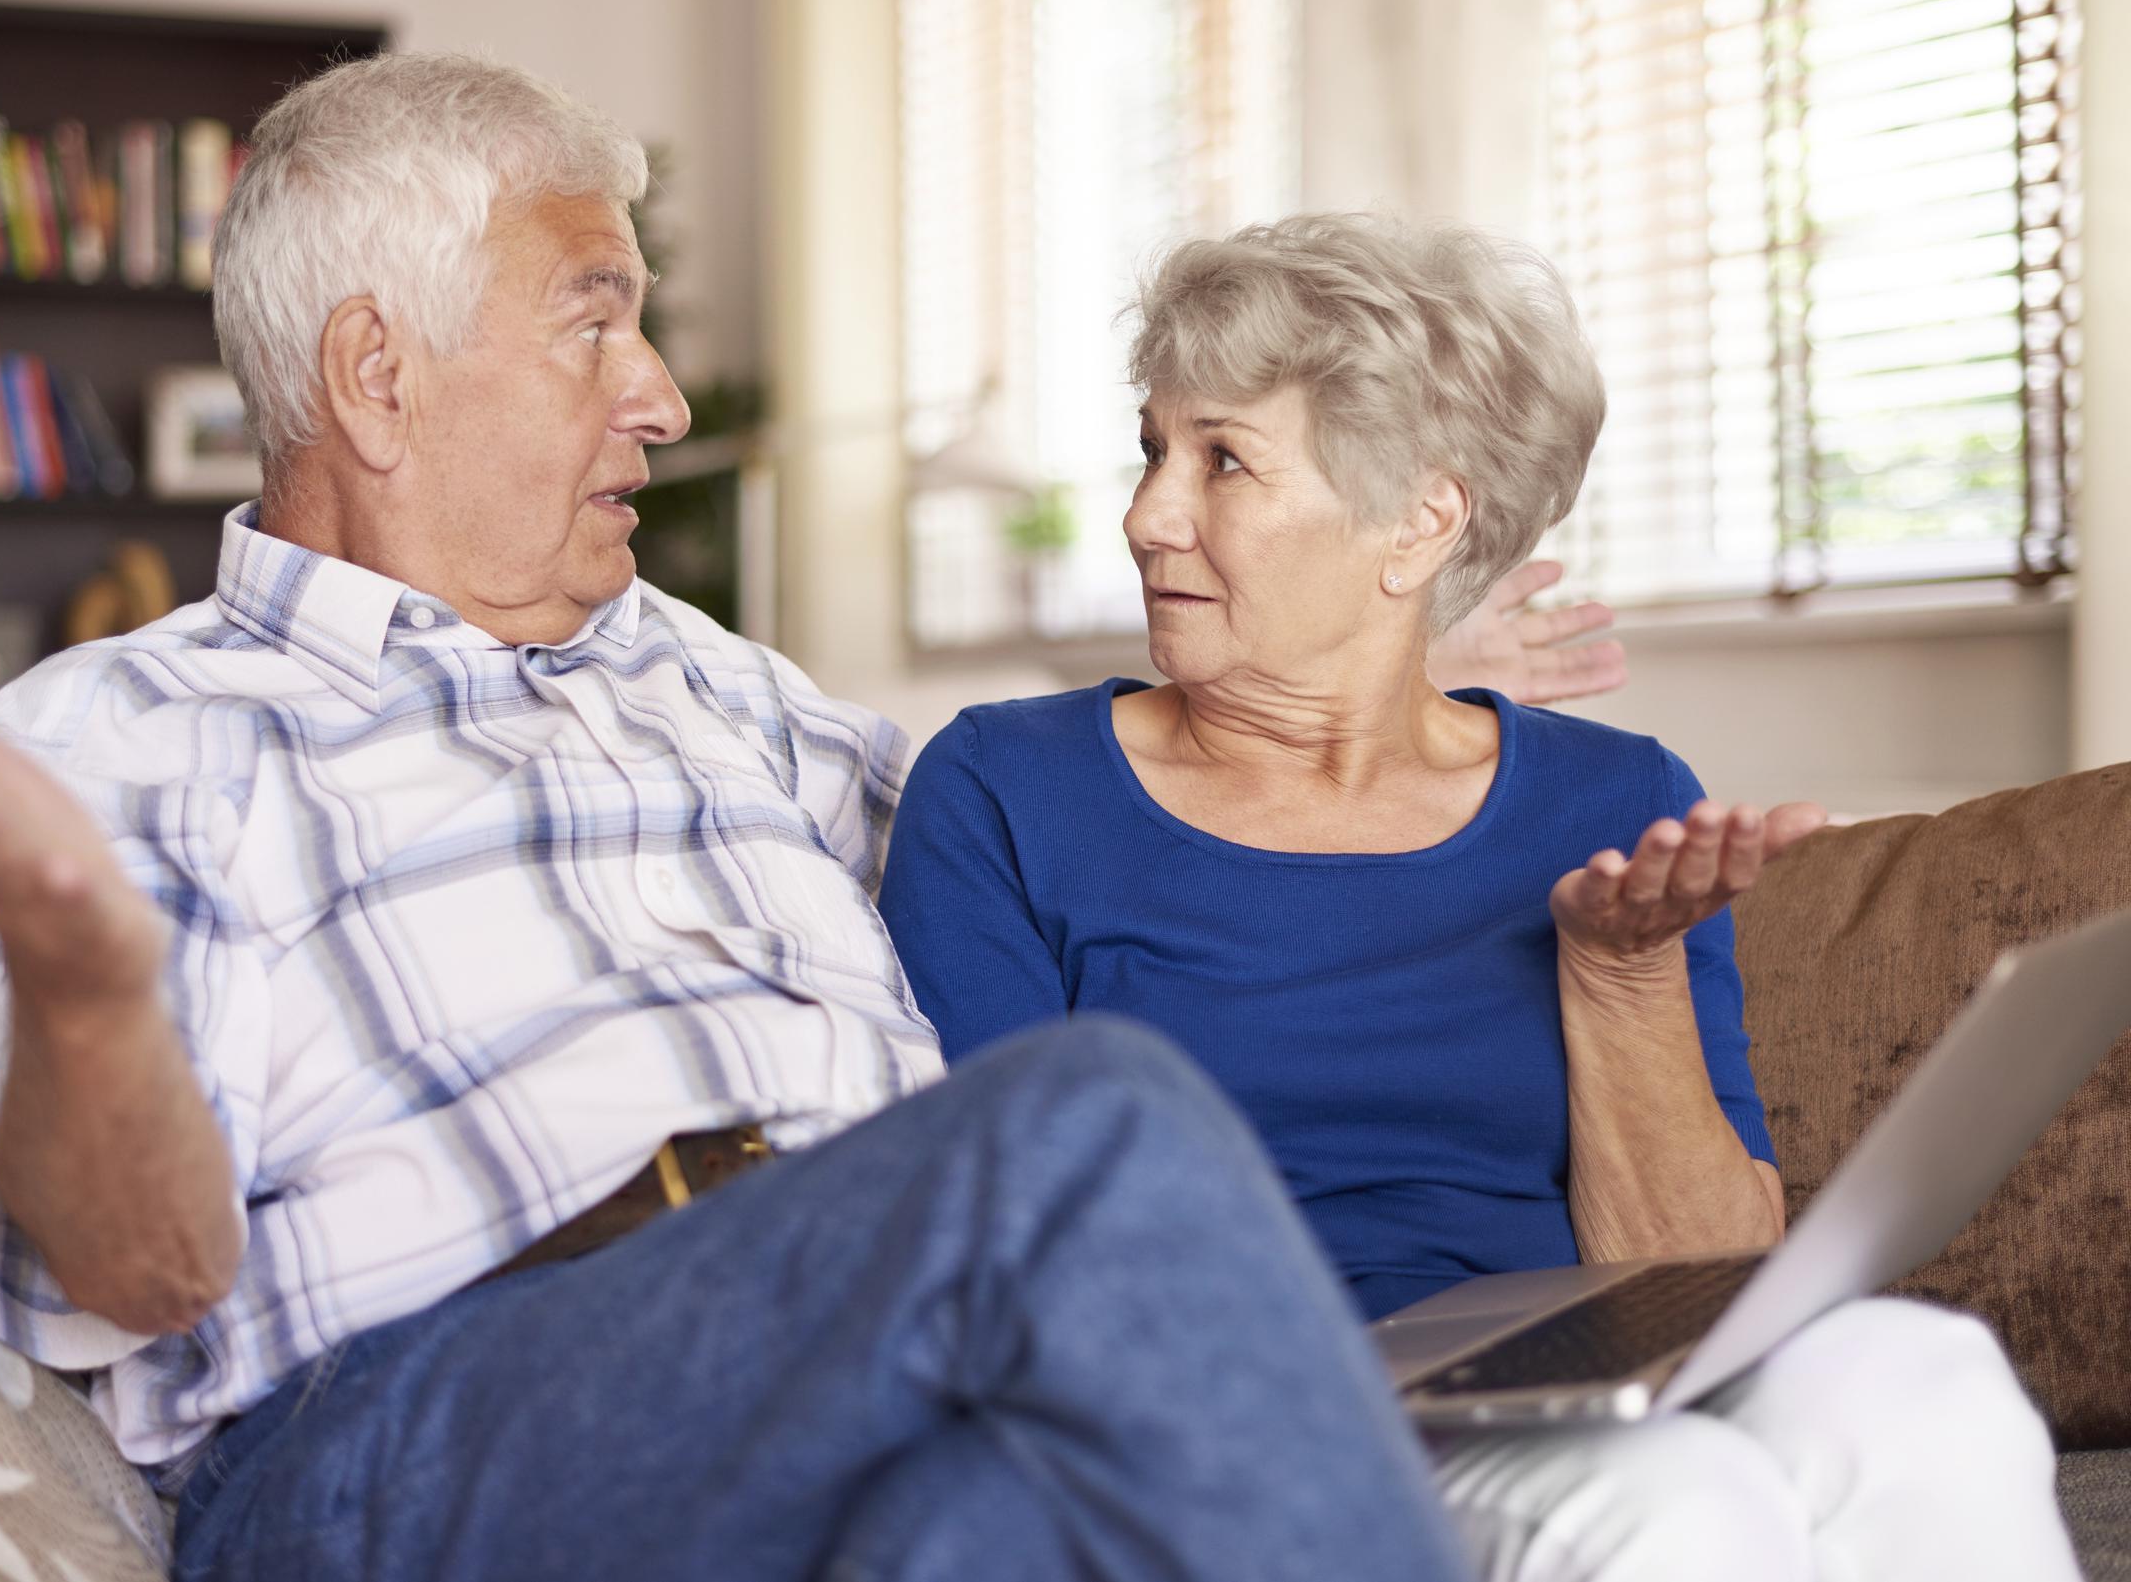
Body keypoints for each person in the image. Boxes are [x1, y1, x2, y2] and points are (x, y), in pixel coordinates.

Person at [0, 55, 1631, 1582]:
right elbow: (115, 1283)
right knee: (1086, 1127)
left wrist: (1373, 645)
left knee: (1000, 1523)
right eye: (595, 320)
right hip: (413, 1433)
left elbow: (1095, 814)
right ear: (378, 377)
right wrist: (89, 1005)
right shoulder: (126, 728)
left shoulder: (707, 679)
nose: (664, 397)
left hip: (851, 1373)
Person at [875, 212, 2080, 1582]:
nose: (1149, 513)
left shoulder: (1612, 801)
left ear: (1420, 521)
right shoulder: (1007, 790)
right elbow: (1005, 1242)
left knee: (1916, 1372)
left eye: (1224, 460)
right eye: (1154, 450)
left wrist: (1620, 974)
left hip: (1563, 1386)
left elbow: (1701, 1275)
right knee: (1677, 1501)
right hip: (1239, 1430)